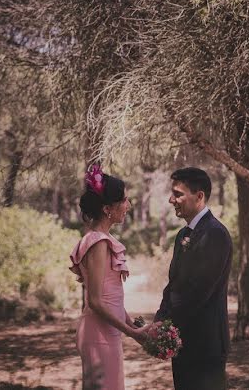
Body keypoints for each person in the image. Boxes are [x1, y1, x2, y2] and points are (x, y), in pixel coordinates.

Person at [151, 167, 232, 390]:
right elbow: (173, 285)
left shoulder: (215, 233)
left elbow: (198, 293)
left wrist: (166, 324)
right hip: (182, 342)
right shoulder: (182, 235)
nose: (171, 199)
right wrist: (160, 319)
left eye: (178, 194)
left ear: (199, 196)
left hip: (206, 344)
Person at [70, 164, 148, 390]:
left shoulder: (99, 239)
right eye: (124, 200)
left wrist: (129, 321)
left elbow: (110, 295)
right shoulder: (98, 242)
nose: (128, 205)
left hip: (107, 331)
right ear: (107, 208)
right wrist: (131, 332)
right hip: (98, 333)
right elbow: (95, 301)